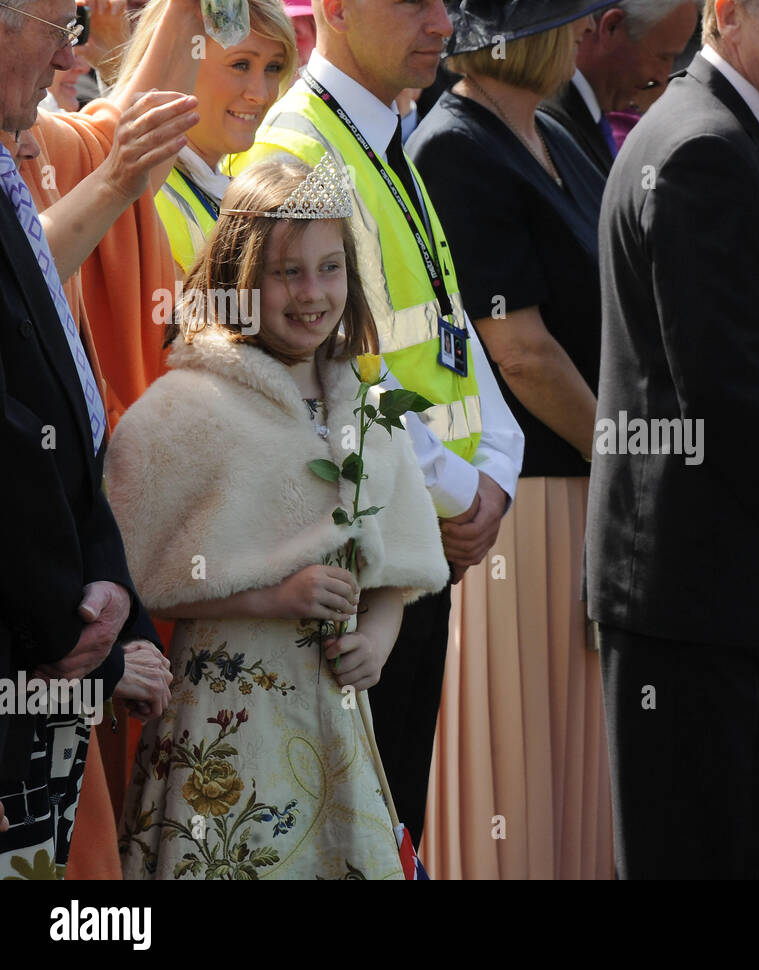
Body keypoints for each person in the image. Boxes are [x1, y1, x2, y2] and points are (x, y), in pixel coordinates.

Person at [234, 0, 524, 853]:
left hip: (413, 535)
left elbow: (446, 323)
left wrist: (496, 469)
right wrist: (464, 488)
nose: (443, 22)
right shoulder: (299, 146)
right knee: (355, 836)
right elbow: (338, 362)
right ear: (334, 8)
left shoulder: (386, 134)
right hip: (359, 557)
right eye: (414, 3)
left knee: (393, 828)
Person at [111, 157, 447, 880]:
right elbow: (142, 568)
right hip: (226, 723)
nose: (313, 293)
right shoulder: (190, 408)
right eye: (287, 273)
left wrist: (380, 638)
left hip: (334, 722)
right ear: (240, 279)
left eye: (330, 268)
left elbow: (400, 565)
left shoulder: (363, 407)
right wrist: (272, 595)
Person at [588, 0, 759, 879]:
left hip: (721, 595)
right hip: (696, 605)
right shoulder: (705, 150)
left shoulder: (738, 139)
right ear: (727, 15)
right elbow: (732, 401)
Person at [406, 0, 614, 880]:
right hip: (518, 509)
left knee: (569, 772)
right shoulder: (454, 146)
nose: (582, 33)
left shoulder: (554, 137)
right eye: (566, 17)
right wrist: (628, 455)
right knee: (517, 775)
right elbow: (518, 350)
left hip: (576, 499)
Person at [0, 0, 157, 879]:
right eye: (55, 21)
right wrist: (69, 608)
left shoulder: (5, 156)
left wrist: (106, 586)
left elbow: (65, 406)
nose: (71, 50)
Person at [114, 0, 297, 273]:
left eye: (273, 68)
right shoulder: (141, 192)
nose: (260, 94)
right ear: (179, 59)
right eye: (241, 64)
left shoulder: (222, 185)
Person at [541, 0, 701, 175]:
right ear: (612, 27)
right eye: (663, 57)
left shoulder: (577, 122)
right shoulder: (549, 132)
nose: (661, 78)